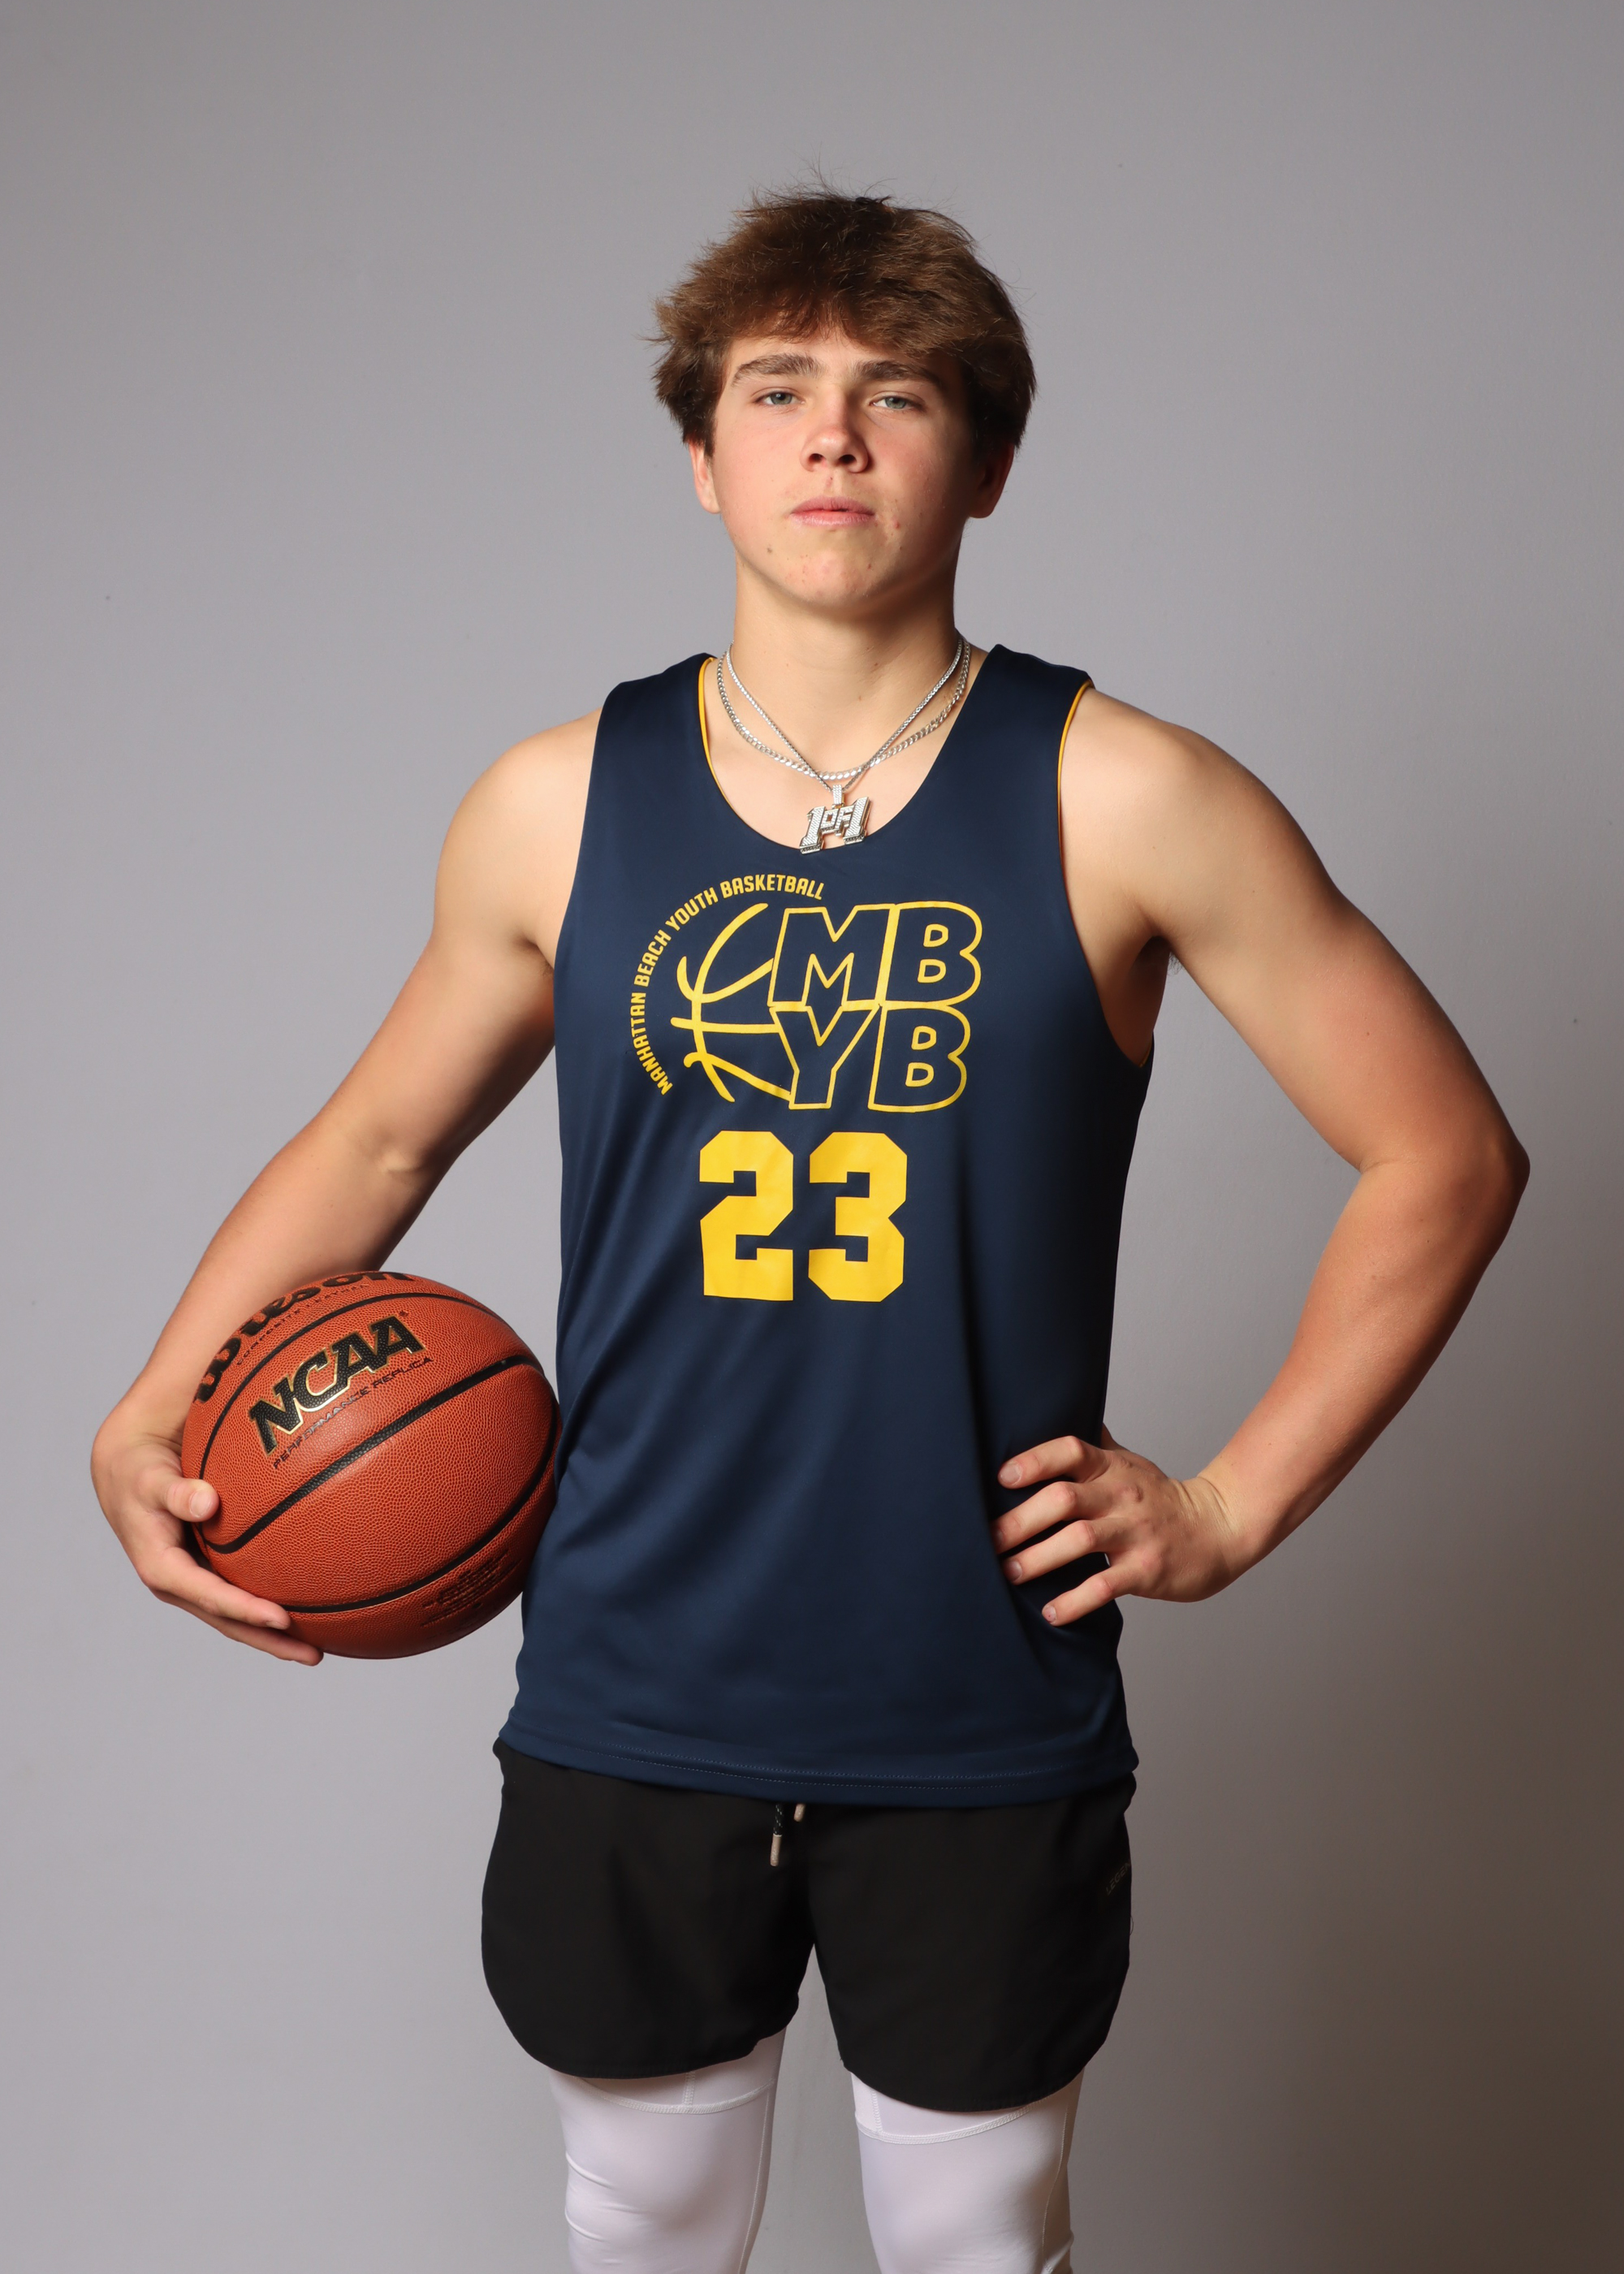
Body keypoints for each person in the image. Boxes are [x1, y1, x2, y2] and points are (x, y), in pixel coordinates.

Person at [91, 188, 1527, 2274]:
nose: (832, 435)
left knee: (976, 2238)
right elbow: (380, 1139)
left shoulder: (1127, 794)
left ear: (988, 459)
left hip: (977, 1678)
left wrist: (1228, 1503)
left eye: (898, 391)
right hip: (632, 1662)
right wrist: (149, 1403)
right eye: (776, 390)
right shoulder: (558, 800)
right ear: (703, 453)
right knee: (643, 2230)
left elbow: (1443, 1153)